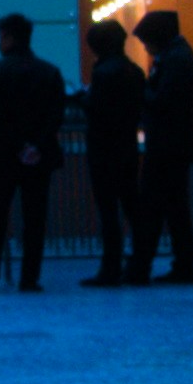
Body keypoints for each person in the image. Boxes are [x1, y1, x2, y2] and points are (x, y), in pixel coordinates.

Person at [0, 14, 67, 291]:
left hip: (3, 153)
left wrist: (17, 145)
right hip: (39, 156)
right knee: (34, 218)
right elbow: (56, 114)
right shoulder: (49, 71)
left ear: (9, 38)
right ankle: (29, 277)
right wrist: (35, 145)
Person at [139, 8, 193, 288]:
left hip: (167, 144)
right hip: (177, 143)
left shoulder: (174, 61)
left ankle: (148, 264)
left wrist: (141, 91)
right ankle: (183, 264)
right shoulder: (179, 57)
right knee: (175, 208)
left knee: (156, 205)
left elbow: (161, 101)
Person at [80, 16, 152, 285]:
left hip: (103, 150)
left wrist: (82, 99)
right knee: (132, 207)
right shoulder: (134, 71)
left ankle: (110, 267)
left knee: (108, 212)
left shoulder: (102, 73)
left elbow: (97, 109)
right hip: (127, 147)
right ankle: (139, 266)